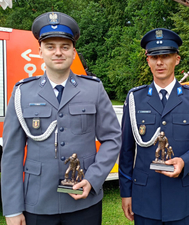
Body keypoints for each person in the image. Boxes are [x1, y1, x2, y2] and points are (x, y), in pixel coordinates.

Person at [1, 12, 121, 225]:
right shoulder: (22, 92)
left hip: (84, 201)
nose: (58, 52)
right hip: (38, 202)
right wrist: (12, 209)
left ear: (73, 52)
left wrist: (93, 179)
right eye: (50, 46)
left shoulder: (93, 89)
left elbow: (112, 139)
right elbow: (12, 154)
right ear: (40, 51)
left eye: (65, 46)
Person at [119, 28, 189, 224]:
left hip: (181, 198)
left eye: (166, 56)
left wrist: (185, 162)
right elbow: (126, 152)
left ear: (177, 59)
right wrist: (126, 193)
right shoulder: (134, 99)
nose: (159, 62)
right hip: (144, 197)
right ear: (147, 60)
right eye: (154, 56)